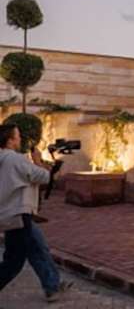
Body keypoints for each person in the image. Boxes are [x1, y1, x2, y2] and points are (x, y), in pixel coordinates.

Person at [0, 124, 72, 302]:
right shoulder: (15, 159)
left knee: (37, 247)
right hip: (18, 214)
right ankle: (52, 286)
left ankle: (52, 286)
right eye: (17, 136)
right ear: (10, 140)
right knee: (14, 261)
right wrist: (38, 160)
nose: (20, 139)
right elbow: (44, 177)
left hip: (11, 212)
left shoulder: (4, 159)